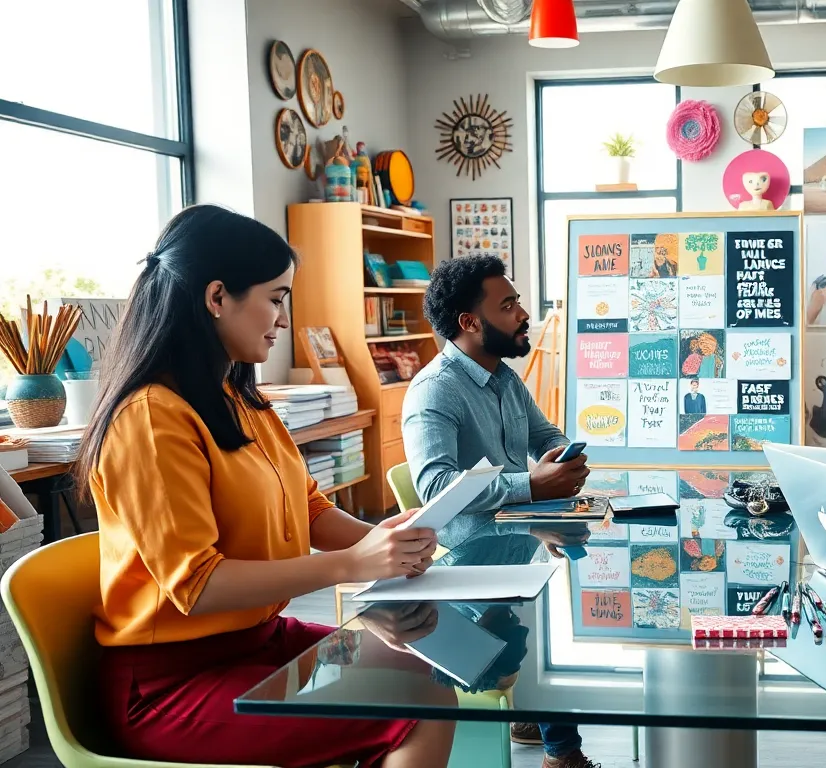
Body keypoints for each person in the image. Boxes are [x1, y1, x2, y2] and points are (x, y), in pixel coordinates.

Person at [75, 205, 453, 768]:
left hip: (260, 643)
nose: (283, 317)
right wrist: (353, 566)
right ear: (217, 297)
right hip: (170, 684)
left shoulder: (241, 398)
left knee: (427, 672)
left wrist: (381, 542)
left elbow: (309, 508)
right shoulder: (151, 419)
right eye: (275, 298)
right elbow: (198, 587)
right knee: (413, 706)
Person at [401, 254, 597, 768]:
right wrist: (532, 482)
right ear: (470, 323)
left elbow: (544, 434)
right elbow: (434, 487)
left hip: (520, 548)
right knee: (556, 637)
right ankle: (563, 753)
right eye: (508, 305)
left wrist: (560, 456)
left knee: (572, 608)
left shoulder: (504, 377)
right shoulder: (435, 390)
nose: (523, 313)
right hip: (467, 569)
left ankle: (535, 716)